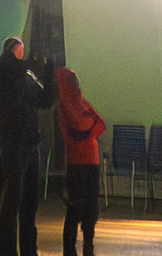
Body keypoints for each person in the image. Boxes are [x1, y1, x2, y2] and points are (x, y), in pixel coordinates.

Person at [0, 36, 59, 256]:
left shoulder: (9, 78)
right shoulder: (18, 76)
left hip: (15, 143)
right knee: (22, 200)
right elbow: (44, 100)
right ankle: (23, 249)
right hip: (21, 143)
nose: (23, 54)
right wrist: (46, 71)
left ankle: (14, 250)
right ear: (15, 51)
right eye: (21, 50)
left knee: (17, 200)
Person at [55, 66, 107, 256]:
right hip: (83, 161)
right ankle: (80, 246)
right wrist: (90, 128)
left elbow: (97, 124)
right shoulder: (72, 105)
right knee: (78, 206)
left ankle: (79, 246)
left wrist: (88, 127)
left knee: (83, 205)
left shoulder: (71, 105)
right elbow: (97, 124)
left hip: (83, 161)